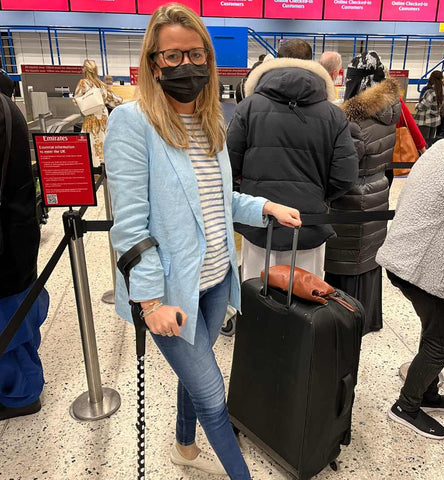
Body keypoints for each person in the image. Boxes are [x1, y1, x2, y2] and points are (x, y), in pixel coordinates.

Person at [103, 5, 301, 479]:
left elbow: (218, 197)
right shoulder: (133, 124)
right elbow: (130, 226)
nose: (185, 66)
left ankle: (184, 445)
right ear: (153, 63)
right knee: (213, 397)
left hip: (213, 283)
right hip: (170, 293)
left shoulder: (212, 122)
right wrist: (150, 301)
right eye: (172, 56)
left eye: (195, 55)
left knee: (196, 378)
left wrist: (263, 208)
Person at [376, 124, 444, 440]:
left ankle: (427, 393)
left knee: (436, 329)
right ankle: (406, 407)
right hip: (426, 268)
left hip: (404, 256)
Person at [227, 42, 358, 281]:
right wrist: (315, 196)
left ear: (277, 59)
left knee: (256, 297)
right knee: (306, 305)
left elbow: (228, 167)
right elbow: (345, 176)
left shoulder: (248, 107)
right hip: (308, 225)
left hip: (259, 224)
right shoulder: (333, 114)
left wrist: (248, 197)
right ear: (312, 62)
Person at [324, 51, 401, 334]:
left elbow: (344, 169)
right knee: (368, 259)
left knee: (347, 261)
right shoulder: (390, 113)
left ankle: (347, 321)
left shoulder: (353, 120)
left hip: (352, 199)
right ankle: (369, 318)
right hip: (378, 192)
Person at [0, 72, 49, 421]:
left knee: (10, 323)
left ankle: (19, 394)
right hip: (15, 234)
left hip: (6, 243)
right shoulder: (8, 105)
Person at [75, 59, 123, 166]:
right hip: (104, 119)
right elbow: (115, 100)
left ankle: (94, 168)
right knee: (105, 142)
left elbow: (76, 99)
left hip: (91, 119)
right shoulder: (102, 85)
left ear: (85, 70)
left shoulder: (83, 83)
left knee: (92, 144)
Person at [413, 70, 443, 148]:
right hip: (434, 120)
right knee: (429, 142)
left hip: (425, 120)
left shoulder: (430, 91)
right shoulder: (441, 91)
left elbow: (423, 106)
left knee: (422, 142)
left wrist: (416, 105)